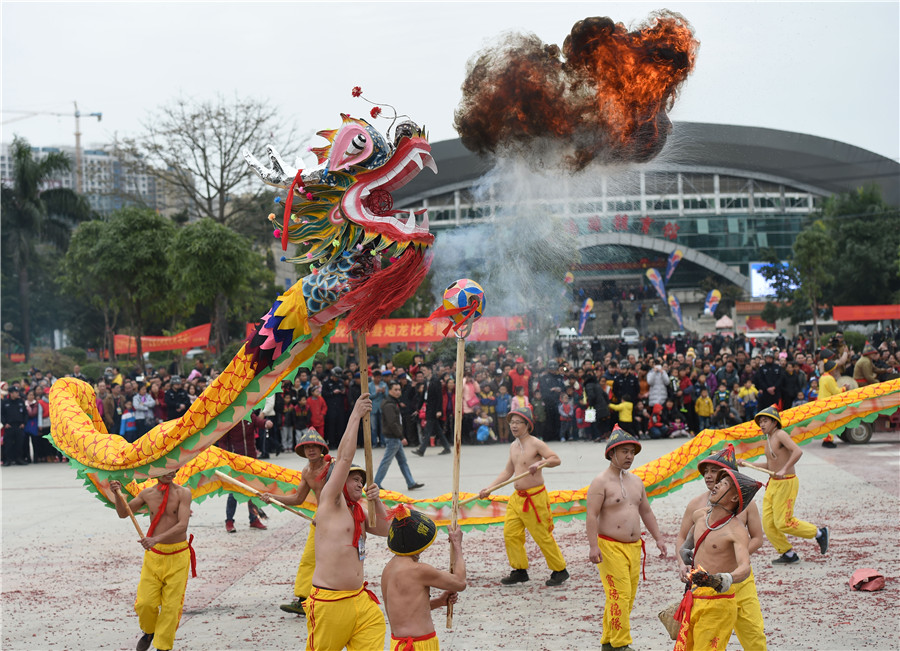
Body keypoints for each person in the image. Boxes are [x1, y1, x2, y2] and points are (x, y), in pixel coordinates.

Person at [304, 393, 390, 651]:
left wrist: (376, 501)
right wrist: (355, 415)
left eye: (361, 480)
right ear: (338, 482)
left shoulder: (359, 511)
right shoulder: (330, 503)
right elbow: (342, 458)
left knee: (376, 628)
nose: (359, 483)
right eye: (354, 478)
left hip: (359, 600)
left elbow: (386, 531)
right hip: (329, 602)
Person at [676, 445, 766, 649]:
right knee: (697, 638)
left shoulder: (745, 506)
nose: (709, 477)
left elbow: (757, 538)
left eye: (715, 472)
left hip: (739, 580)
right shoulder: (697, 507)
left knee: (753, 633)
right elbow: (683, 538)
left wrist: (731, 559)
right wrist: (682, 563)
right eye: (705, 471)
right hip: (704, 583)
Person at [585, 426, 667, 651]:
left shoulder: (636, 482)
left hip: (633, 547)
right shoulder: (600, 482)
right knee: (619, 594)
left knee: (624, 596)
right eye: (624, 451)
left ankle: (609, 641)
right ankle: (621, 644)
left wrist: (658, 539)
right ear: (611, 454)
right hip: (609, 546)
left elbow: (646, 512)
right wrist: (593, 546)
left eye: (632, 452)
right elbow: (591, 515)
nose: (629, 456)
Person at [479, 405, 569, 586]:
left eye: (518, 422)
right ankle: (519, 570)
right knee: (511, 534)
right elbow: (507, 471)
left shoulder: (536, 443)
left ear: (527, 425)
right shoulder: (513, 446)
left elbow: (555, 459)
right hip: (517, 498)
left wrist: (541, 464)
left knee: (542, 535)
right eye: (511, 422)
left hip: (535, 498)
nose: (513, 426)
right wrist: (489, 489)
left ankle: (560, 570)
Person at [109, 471, 194, 651]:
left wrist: (156, 538)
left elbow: (182, 525)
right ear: (156, 471)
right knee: (145, 603)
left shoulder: (183, 493)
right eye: (166, 469)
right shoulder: (147, 493)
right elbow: (124, 513)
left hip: (178, 556)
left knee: (171, 607)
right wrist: (117, 494)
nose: (170, 473)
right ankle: (149, 632)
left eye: (174, 469)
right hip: (154, 556)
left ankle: (162, 646)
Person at [742, 406, 829, 564]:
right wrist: (747, 464)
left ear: (774, 422)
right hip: (773, 483)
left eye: (765, 421)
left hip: (787, 482)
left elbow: (797, 451)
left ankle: (819, 533)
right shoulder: (767, 440)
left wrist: (784, 468)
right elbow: (770, 466)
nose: (762, 424)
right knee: (768, 525)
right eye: (760, 422)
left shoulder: (780, 434)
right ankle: (788, 554)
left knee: (783, 522)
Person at [261, 428, 332, 616]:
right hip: (319, 519)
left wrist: (326, 513)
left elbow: (340, 494)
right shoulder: (307, 471)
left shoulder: (330, 467)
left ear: (321, 448)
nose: (311, 450)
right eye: (307, 447)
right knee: (309, 559)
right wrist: (273, 497)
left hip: (336, 516)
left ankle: (334, 598)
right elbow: (298, 499)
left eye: (314, 447)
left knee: (337, 557)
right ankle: (304, 600)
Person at [381, 506, 466, 650]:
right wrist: (457, 546)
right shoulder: (418, 570)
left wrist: (439, 601)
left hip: (398, 644)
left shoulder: (387, 571)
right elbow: (459, 582)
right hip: (419, 644)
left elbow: (405, 612)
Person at [217, 413, 273, 532]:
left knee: (253, 491)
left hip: (251, 461)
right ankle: (229, 521)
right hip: (235, 462)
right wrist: (224, 457)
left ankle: (254, 520)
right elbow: (222, 441)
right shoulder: (229, 418)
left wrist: (266, 423)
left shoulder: (250, 416)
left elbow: (259, 422)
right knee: (233, 493)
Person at [374, 382, 425, 491]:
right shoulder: (389, 404)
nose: (398, 392)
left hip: (395, 437)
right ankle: (376, 483)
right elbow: (393, 423)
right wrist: (401, 437)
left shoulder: (393, 402)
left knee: (402, 461)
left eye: (399, 389)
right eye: (395, 389)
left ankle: (410, 483)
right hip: (393, 438)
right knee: (386, 461)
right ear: (390, 391)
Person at [412, 363, 452, 456]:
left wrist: (439, 410)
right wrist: (418, 409)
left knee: (428, 429)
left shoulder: (436, 381)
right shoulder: (426, 381)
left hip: (434, 409)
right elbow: (423, 396)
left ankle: (421, 450)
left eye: (424, 370)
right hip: (428, 407)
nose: (423, 373)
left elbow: (439, 397)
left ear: (430, 370)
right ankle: (446, 447)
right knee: (437, 429)